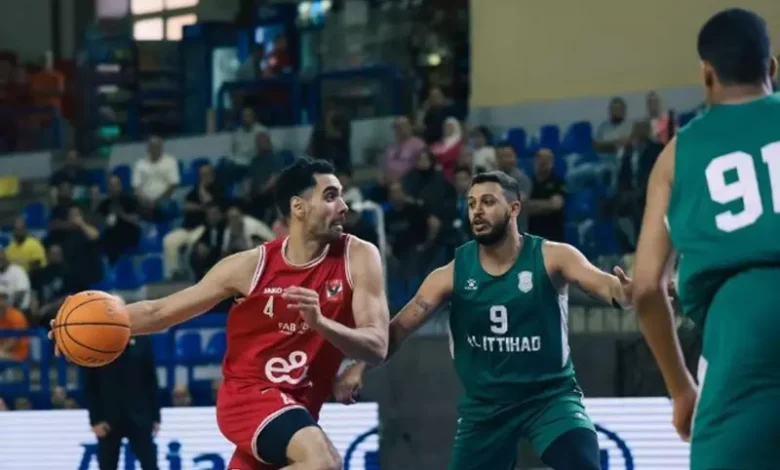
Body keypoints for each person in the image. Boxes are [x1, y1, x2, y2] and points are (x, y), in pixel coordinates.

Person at [50, 158, 389, 470]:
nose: (343, 206)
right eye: (330, 196)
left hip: (300, 404)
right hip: (248, 395)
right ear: (298, 207)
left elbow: (376, 345)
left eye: (341, 196)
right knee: (323, 462)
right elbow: (160, 312)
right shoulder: (250, 266)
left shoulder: (358, 256)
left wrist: (323, 326)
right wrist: (76, 328)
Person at [336, 171, 633, 470]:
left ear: (514, 208)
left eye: (488, 202)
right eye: (471, 203)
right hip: (486, 409)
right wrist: (359, 367)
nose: (477, 211)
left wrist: (626, 293)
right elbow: (399, 328)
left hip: (550, 399)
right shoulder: (451, 274)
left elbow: (604, 285)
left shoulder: (553, 257)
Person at [632, 8, 780, 470]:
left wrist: (681, 389)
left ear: (707, 74)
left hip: (741, 335)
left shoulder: (678, 154)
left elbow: (646, 287)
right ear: (771, 67)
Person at [84, 336, 160, 470]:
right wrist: (95, 419)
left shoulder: (142, 340)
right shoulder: (96, 341)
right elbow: (90, 385)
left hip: (140, 415)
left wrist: (155, 416)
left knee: (150, 465)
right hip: (107, 418)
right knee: (107, 466)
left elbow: (151, 380)